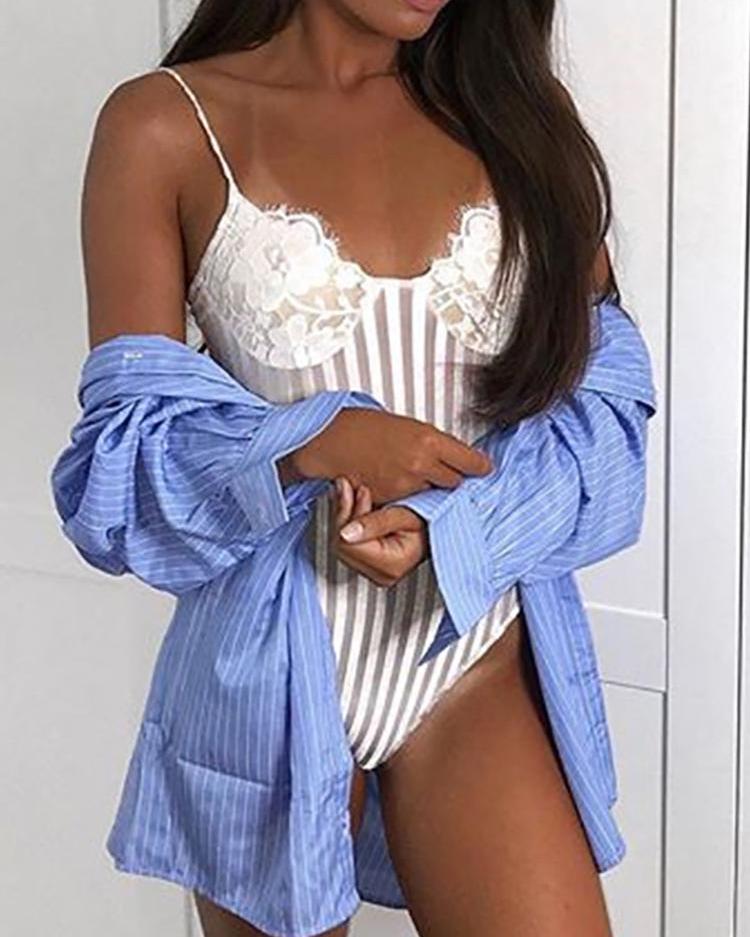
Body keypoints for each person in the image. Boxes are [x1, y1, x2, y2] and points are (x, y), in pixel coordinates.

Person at [49, 1, 657, 935]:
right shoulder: (166, 126)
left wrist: (456, 529)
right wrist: (309, 440)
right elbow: (120, 464)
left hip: (471, 658)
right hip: (264, 671)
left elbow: (608, 412)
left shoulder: (518, 120)